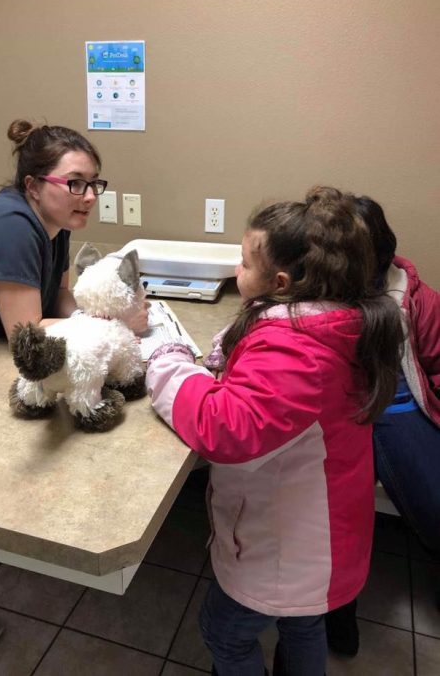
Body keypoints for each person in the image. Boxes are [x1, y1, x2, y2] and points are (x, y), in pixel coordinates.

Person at [145, 186, 404, 676]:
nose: (235, 271)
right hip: (321, 535)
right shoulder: (332, 325)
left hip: (289, 547)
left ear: (280, 282)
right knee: (304, 626)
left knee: (223, 631)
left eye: (243, 263)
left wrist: (167, 362)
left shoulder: (299, 351)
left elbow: (224, 427)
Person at [0, 119, 148, 658]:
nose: (88, 196)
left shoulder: (55, 223)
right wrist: (116, 332)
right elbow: (27, 333)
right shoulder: (11, 225)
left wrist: (112, 316)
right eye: (76, 183)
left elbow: (58, 302)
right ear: (33, 183)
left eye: (95, 184)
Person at [325, 195, 440, 657]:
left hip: (400, 406)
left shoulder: (414, 299)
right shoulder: (313, 292)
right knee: (336, 516)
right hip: (337, 413)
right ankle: (338, 616)